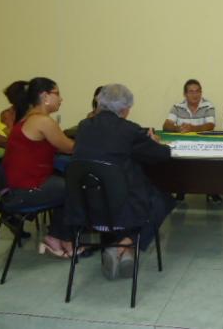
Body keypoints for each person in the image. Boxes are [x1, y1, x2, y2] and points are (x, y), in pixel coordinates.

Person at [69, 83, 175, 280]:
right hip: (120, 210)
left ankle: (123, 251)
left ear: (100, 103)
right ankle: (126, 244)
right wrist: (154, 143)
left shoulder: (83, 127)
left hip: (86, 209)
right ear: (125, 109)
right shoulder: (130, 131)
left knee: (126, 190)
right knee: (163, 199)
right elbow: (162, 156)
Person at [2, 77, 76, 258]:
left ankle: (55, 237)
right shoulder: (43, 121)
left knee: (66, 182)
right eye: (57, 93)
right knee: (76, 188)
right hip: (26, 189)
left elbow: (59, 145)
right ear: (45, 96)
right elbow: (70, 147)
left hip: (18, 185)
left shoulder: (28, 118)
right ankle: (64, 240)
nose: (61, 99)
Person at [163, 79, 222, 203]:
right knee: (174, 161)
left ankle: (212, 191)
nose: (195, 95)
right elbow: (166, 125)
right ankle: (180, 190)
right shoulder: (177, 107)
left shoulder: (208, 105)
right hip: (183, 146)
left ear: (201, 92)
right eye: (191, 92)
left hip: (204, 145)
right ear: (185, 94)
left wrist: (192, 129)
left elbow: (210, 125)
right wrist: (177, 128)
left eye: (197, 91)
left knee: (211, 164)